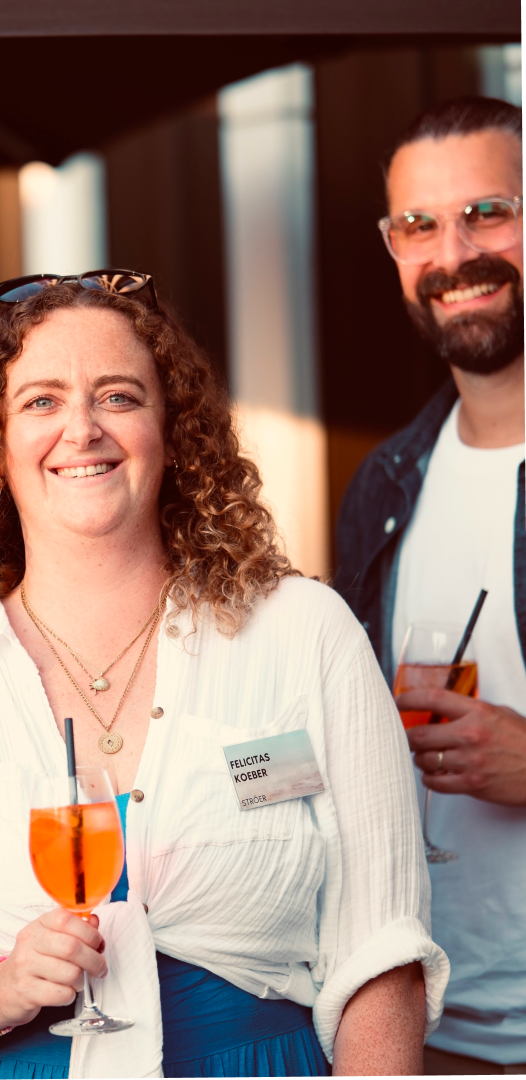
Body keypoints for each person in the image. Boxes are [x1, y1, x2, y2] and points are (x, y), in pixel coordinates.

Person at [0, 270, 449, 1078]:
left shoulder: (303, 633)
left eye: (118, 396)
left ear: (172, 431)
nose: (82, 429)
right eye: (41, 401)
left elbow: (381, 948)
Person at [336, 96, 526, 1074]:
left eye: (489, 212)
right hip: (428, 1034)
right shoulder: (384, 486)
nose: (454, 252)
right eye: (419, 225)